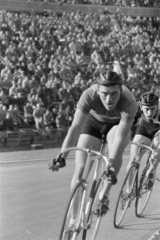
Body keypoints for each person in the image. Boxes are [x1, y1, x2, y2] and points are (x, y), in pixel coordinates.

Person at [49, 70, 137, 217]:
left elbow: (120, 139)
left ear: (120, 90)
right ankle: (74, 218)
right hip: (93, 124)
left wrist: (110, 167)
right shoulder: (89, 95)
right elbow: (75, 129)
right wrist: (62, 156)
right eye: (104, 93)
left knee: (116, 147)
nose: (109, 99)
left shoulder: (129, 101)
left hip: (117, 126)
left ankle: (103, 196)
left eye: (114, 93)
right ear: (97, 89)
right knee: (80, 171)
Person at [127, 92, 160, 190]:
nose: (149, 113)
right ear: (141, 107)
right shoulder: (136, 108)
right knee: (133, 160)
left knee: (156, 154)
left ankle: (151, 171)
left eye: (153, 109)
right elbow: (126, 125)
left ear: (157, 106)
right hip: (145, 127)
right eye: (147, 109)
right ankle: (129, 191)